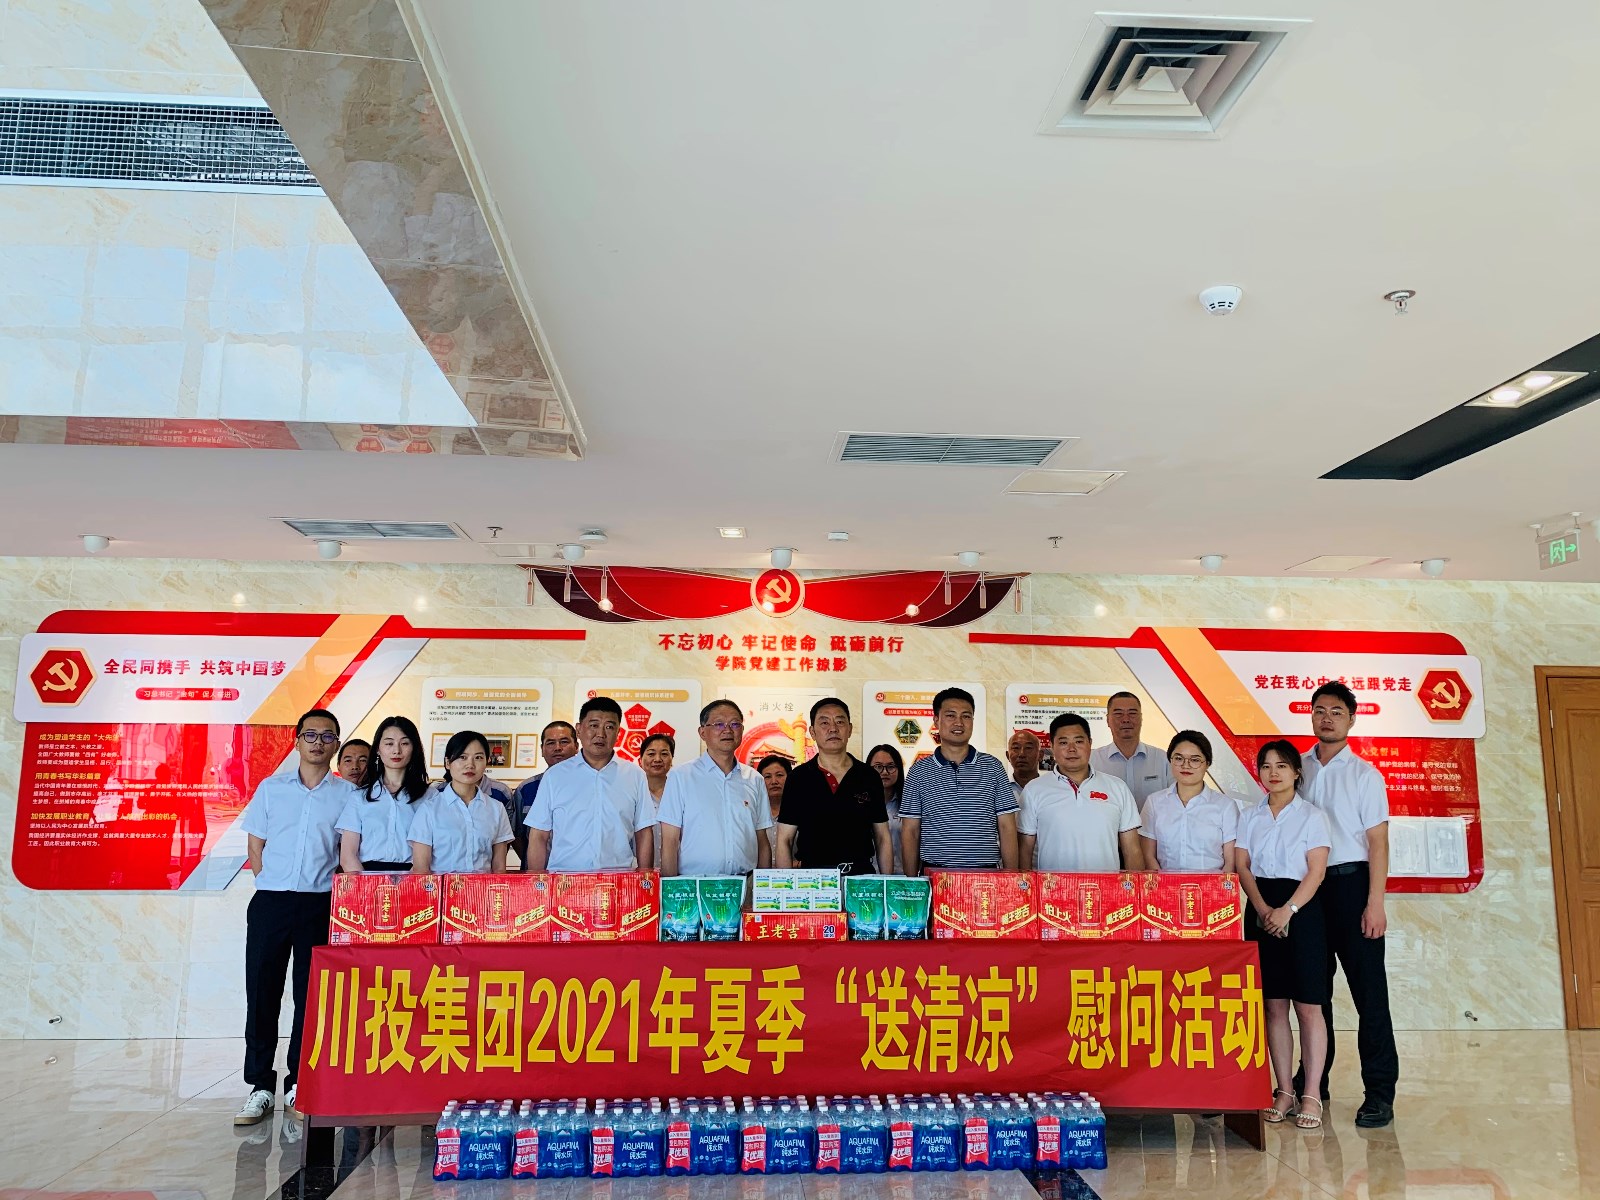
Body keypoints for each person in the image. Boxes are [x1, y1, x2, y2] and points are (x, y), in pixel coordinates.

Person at [234, 708, 359, 1126]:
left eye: (327, 736)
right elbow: (256, 845)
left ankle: (297, 1082)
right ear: (297, 740)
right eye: (311, 735)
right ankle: (260, 1086)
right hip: (271, 902)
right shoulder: (272, 788)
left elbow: (345, 853)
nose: (318, 742)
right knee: (262, 992)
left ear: (336, 743)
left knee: (310, 998)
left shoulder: (347, 795)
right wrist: (269, 882)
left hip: (319, 904)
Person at [1295, 681, 1399, 1129]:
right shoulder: (1297, 768)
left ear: (1352, 719)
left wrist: (1375, 902)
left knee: (1369, 995)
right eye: (1320, 710)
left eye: (1336, 711)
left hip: (1352, 886)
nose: (1327, 718)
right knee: (1313, 994)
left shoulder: (1364, 775)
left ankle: (1379, 1093)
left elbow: (1378, 843)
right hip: (1308, 891)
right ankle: (1313, 1082)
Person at [1236, 739, 1332, 1131]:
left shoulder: (1312, 816)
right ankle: (1284, 1091)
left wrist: (1287, 910)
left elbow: (1316, 870)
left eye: (1281, 766)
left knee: (1308, 1006)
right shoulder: (1250, 816)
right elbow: (1243, 866)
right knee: (1273, 1005)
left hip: (1303, 911)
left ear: (1296, 772)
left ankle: (1311, 1092)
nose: (1273, 773)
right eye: (1266, 766)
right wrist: (1263, 909)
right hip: (1261, 908)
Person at [524, 697, 655, 871]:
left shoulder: (634, 775)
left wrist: (645, 877)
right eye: (594, 725)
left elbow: (643, 832)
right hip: (565, 878)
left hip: (617, 877)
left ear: (618, 732)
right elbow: (539, 835)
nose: (600, 734)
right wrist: (537, 880)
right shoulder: (555, 776)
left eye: (609, 727)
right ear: (579, 729)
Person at [900, 688, 1018, 875]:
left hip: (985, 876)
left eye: (966, 716)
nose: (959, 723)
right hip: (935, 875)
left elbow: (1007, 826)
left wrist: (1010, 878)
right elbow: (910, 830)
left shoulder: (993, 767)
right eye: (950, 715)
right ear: (936, 720)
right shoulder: (919, 771)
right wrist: (912, 882)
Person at [776, 697, 891, 875]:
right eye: (824, 722)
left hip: (859, 878)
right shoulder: (798, 778)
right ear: (812, 732)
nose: (833, 728)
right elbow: (785, 839)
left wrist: (886, 883)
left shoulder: (869, 776)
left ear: (850, 729)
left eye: (839, 721)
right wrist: (785, 884)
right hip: (812, 879)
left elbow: (882, 838)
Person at [659, 701, 773, 876]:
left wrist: (762, 886)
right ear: (702, 732)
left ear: (742, 730)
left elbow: (762, 841)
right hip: (695, 883)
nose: (727, 730)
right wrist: (670, 887)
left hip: (745, 883)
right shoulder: (681, 776)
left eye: (735, 724)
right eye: (719, 724)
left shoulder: (755, 779)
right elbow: (670, 841)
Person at [1018, 713, 1144, 871]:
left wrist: (1135, 886)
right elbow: (1024, 851)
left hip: (1105, 885)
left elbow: (1132, 850)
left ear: (1090, 743)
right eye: (1063, 742)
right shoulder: (1034, 790)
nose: (1071, 749)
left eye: (1078, 741)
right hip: (1053, 885)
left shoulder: (1117, 788)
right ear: (1052, 746)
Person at [408, 730, 514, 873]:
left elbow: (499, 868)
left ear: (487, 762)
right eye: (462, 757)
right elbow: (421, 870)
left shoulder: (496, 809)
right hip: (442, 887)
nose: (470, 765)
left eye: (478, 757)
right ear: (447, 763)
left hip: (482, 887)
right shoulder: (429, 810)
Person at [337, 716, 429, 872]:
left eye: (405, 743)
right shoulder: (359, 797)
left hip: (414, 877)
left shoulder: (430, 796)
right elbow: (348, 857)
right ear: (378, 749)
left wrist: (410, 883)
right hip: (366, 877)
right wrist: (367, 884)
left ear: (414, 748)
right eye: (389, 743)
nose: (396, 750)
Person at [1140, 730, 1238, 872]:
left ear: (1207, 764)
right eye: (1179, 758)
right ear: (1170, 760)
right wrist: (1163, 884)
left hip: (1212, 884)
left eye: (1195, 760)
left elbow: (1231, 862)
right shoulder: (1154, 802)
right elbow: (1148, 856)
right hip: (1165, 884)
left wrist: (1217, 886)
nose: (1186, 765)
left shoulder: (1225, 806)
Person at [508, 721, 578, 870]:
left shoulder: (587, 786)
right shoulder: (526, 789)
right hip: (537, 876)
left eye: (564, 742)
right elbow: (517, 836)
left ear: (576, 746)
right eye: (551, 743)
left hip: (575, 873)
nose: (557, 748)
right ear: (542, 749)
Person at [1090, 692, 1172, 813]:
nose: (1126, 719)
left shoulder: (1163, 759)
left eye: (1132, 713)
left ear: (1141, 718)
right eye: (1118, 714)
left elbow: (1176, 802)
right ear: (1108, 720)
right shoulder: (1092, 761)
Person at [867, 744, 906, 875]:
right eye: (878, 767)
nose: (884, 772)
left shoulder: (908, 804)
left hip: (901, 876)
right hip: (868, 876)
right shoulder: (860, 804)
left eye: (891, 767)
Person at [639, 732, 675, 866]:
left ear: (672, 759)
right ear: (640, 759)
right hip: (639, 870)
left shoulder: (679, 792)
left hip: (676, 870)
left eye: (664, 754)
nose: (658, 759)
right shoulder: (633, 792)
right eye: (651, 754)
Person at [757, 754, 791, 862]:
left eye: (779, 775)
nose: (774, 781)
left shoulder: (801, 812)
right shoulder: (754, 813)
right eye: (767, 777)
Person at [1005, 729, 1042, 805]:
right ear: (1008, 755)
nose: (1022, 754)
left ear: (1040, 755)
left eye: (1028, 748)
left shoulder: (1051, 789)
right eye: (1016, 748)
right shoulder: (1000, 790)